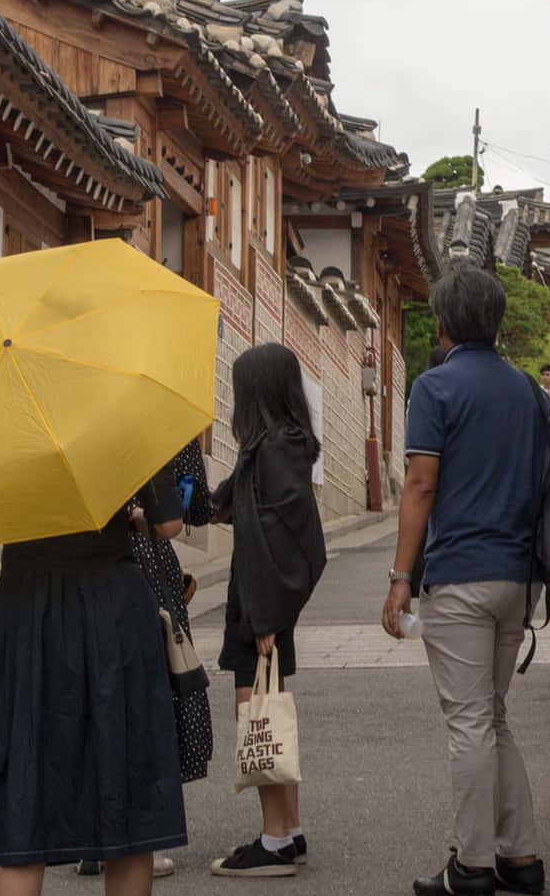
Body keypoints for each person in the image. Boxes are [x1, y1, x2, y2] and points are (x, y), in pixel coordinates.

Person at [0, 448, 190, 895]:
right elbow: (169, 523)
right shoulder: (121, 409)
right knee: (125, 797)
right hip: (111, 603)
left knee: (23, 793)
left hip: (28, 606)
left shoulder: (4, 423)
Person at [381, 267, 548, 896]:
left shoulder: (435, 387)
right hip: (518, 577)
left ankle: (473, 866)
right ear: (498, 321)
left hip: (459, 577)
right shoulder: (527, 390)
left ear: (444, 324)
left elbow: (421, 484)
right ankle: (521, 858)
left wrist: (401, 577)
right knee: (495, 717)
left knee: (470, 723)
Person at [210, 343, 330, 878]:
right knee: (270, 712)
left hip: (262, 603)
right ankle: (291, 829)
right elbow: (239, 503)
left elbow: (284, 537)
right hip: (263, 602)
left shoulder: (276, 450)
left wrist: (267, 620)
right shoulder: (272, 446)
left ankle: (275, 839)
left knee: (257, 717)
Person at [78, 439, 215, 880]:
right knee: (147, 703)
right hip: (142, 570)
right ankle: (139, 839)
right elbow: (182, 516)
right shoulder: (160, 423)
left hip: (78, 573)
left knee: (92, 697)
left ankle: (92, 833)